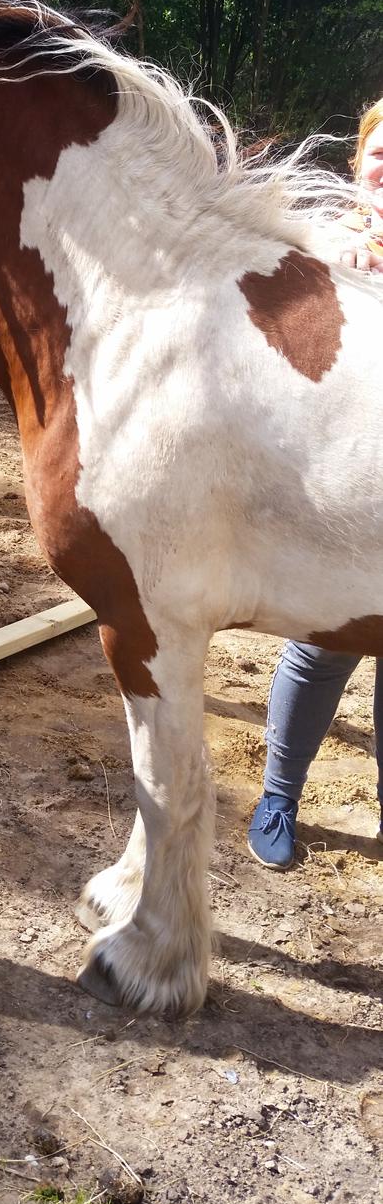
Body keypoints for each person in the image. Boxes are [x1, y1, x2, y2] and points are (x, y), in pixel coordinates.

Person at [248, 98, 383, 868]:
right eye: (379, 155)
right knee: (319, 649)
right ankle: (278, 794)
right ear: (355, 166)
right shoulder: (321, 253)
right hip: (335, 495)